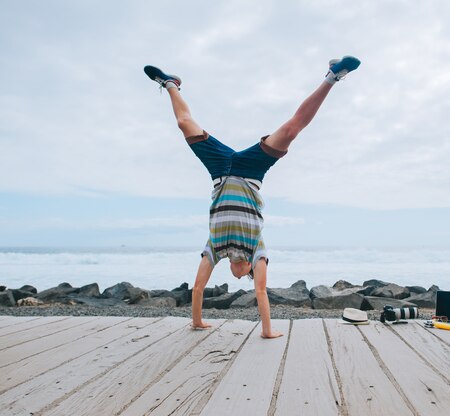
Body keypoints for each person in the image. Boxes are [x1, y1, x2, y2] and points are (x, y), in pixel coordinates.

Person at [144, 56, 360, 338]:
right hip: (250, 172)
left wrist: (197, 322)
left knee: (185, 124)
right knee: (291, 129)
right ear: (248, 268)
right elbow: (260, 290)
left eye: (235, 276)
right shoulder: (257, 249)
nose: (235, 277)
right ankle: (333, 76)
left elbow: (197, 289)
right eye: (242, 276)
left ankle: (170, 83)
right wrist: (267, 331)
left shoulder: (214, 247)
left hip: (220, 169)